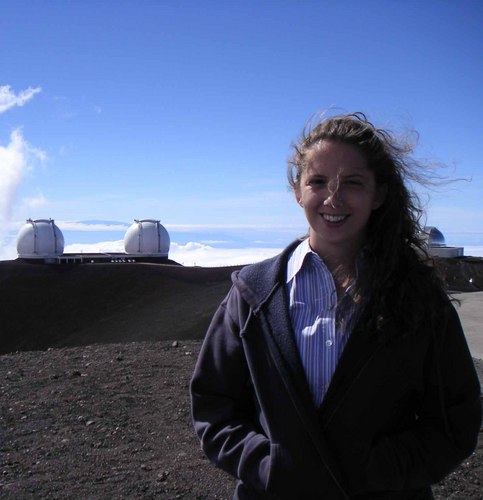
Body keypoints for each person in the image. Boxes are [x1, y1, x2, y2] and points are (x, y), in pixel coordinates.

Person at [190, 112, 481, 499]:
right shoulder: (253, 295)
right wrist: (269, 465)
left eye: (353, 183)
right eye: (318, 181)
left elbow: (454, 417)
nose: (333, 198)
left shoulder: (417, 297)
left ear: (378, 194)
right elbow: (214, 404)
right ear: (297, 191)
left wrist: (379, 472)